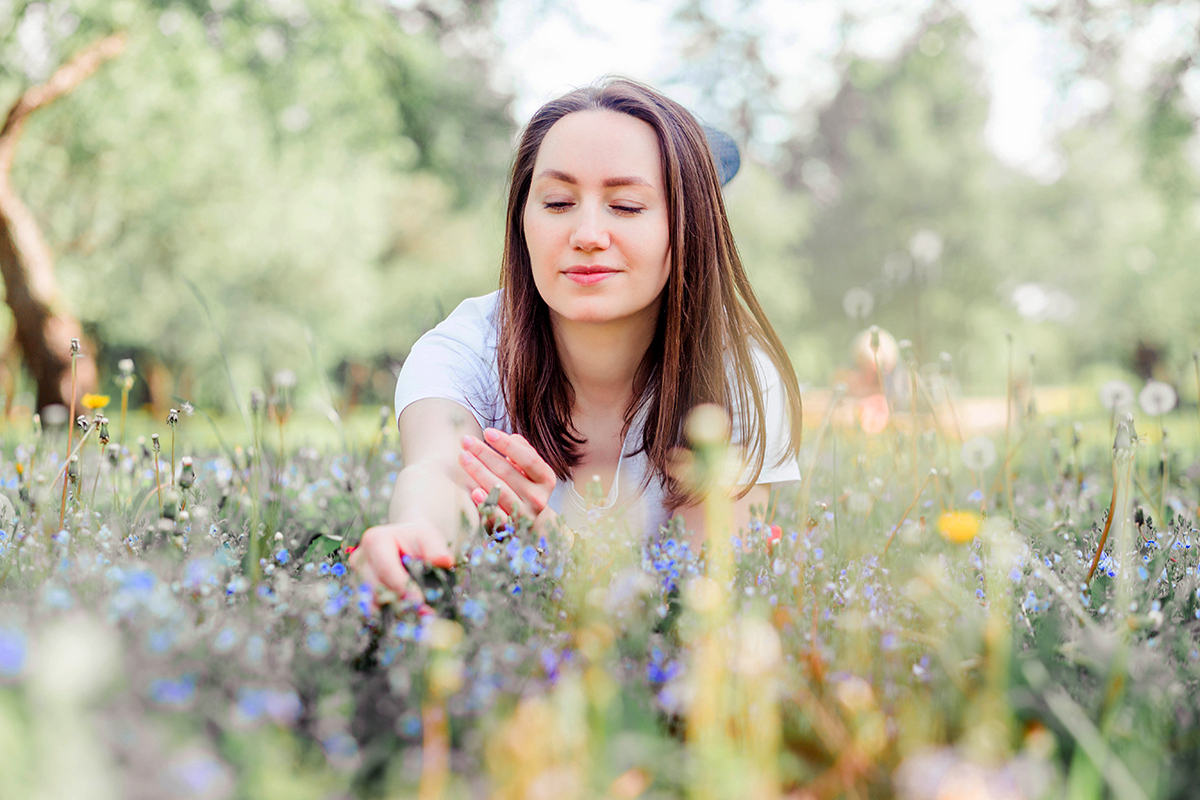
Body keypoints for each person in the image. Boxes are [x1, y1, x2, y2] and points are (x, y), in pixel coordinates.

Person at [350, 77, 803, 602]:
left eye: (627, 206)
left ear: (689, 228)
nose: (587, 235)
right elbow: (439, 472)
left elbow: (702, 594)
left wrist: (555, 545)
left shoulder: (739, 376)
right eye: (559, 202)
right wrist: (416, 540)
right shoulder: (462, 350)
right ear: (523, 219)